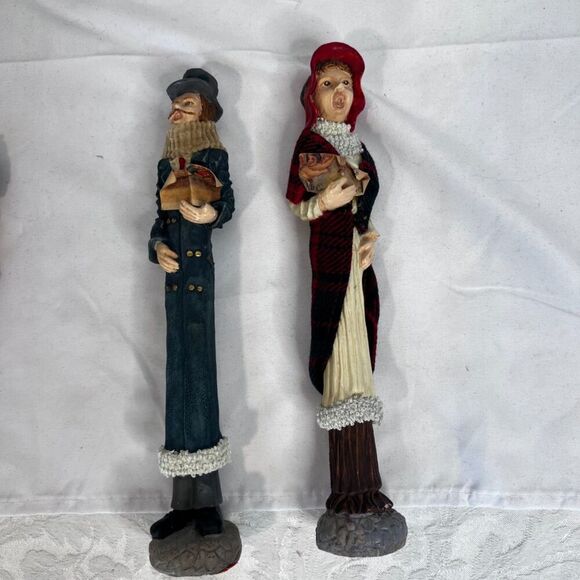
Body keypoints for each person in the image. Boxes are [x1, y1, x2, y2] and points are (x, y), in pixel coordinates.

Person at [286, 43, 392, 515]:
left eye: (346, 84)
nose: (339, 93)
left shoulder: (358, 147)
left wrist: (369, 236)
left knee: (359, 359)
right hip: (330, 262)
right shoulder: (310, 144)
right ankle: (346, 491)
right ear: (313, 95)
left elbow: (364, 210)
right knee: (338, 357)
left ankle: (367, 486)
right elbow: (299, 206)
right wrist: (323, 203)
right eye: (328, 84)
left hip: (356, 262)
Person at [148, 69, 235, 539]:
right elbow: (157, 219)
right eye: (174, 106)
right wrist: (157, 247)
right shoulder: (166, 165)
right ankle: (181, 503)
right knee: (177, 380)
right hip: (174, 283)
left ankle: (207, 502)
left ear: (204, 113)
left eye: (186, 105)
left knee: (200, 380)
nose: (176, 113)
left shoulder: (213, 157)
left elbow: (228, 203)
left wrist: (209, 213)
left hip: (198, 278)